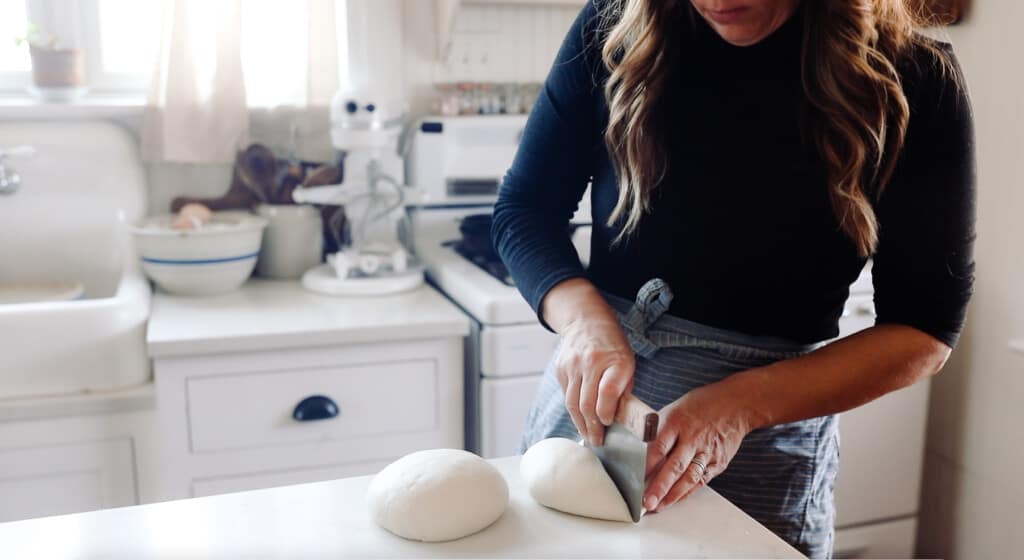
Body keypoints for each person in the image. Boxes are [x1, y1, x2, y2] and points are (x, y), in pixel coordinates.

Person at [491, 0, 975, 557]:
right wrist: (584, 324)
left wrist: (736, 406)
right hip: (588, 429)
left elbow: (924, 331)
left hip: (758, 455)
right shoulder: (617, 26)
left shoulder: (913, 79)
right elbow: (524, 209)